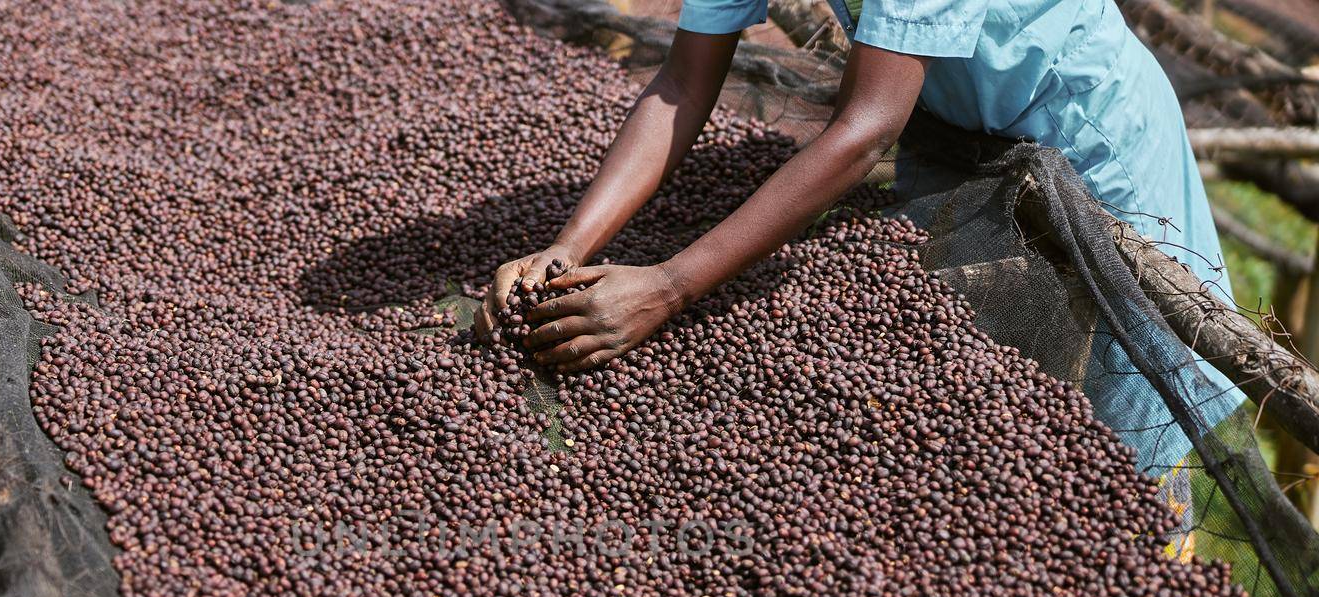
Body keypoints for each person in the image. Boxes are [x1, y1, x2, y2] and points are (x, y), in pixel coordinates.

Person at [475, 0, 1242, 489]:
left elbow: (867, 124)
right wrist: (567, 248)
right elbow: (683, 81)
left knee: (1110, 438)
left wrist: (670, 286)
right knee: (967, 398)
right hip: (957, 130)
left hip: (1086, 142)